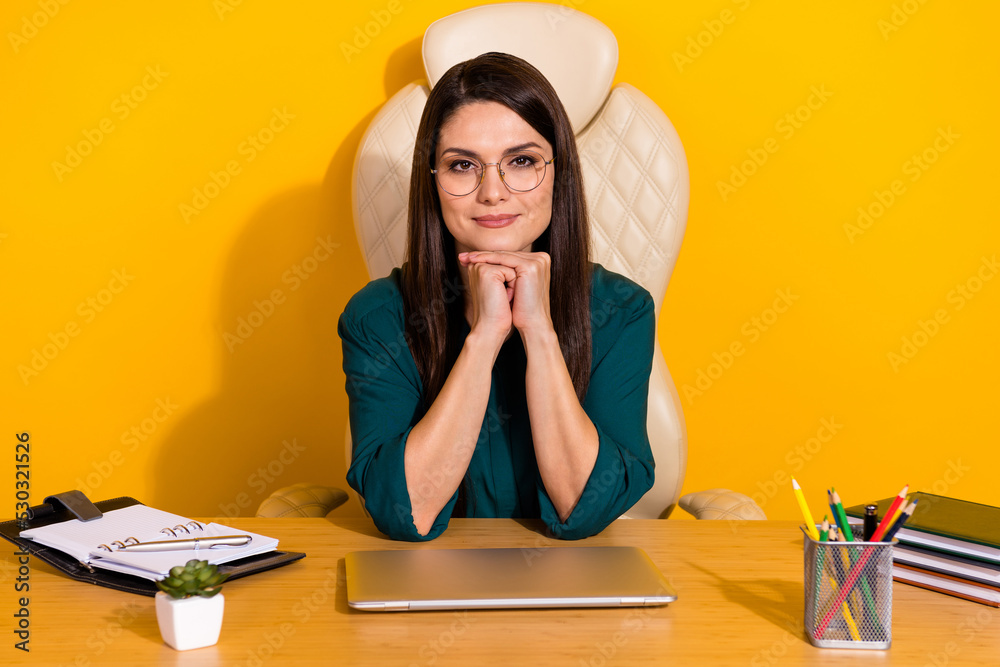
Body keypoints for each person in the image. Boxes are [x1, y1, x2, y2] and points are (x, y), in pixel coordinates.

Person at [340, 52, 655, 541]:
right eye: (462, 165)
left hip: (577, 588)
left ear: (559, 174)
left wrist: (539, 332)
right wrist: (485, 337)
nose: (493, 192)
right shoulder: (378, 316)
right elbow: (406, 512)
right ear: (433, 182)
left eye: (522, 161)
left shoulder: (621, 309)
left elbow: (585, 507)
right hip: (425, 588)